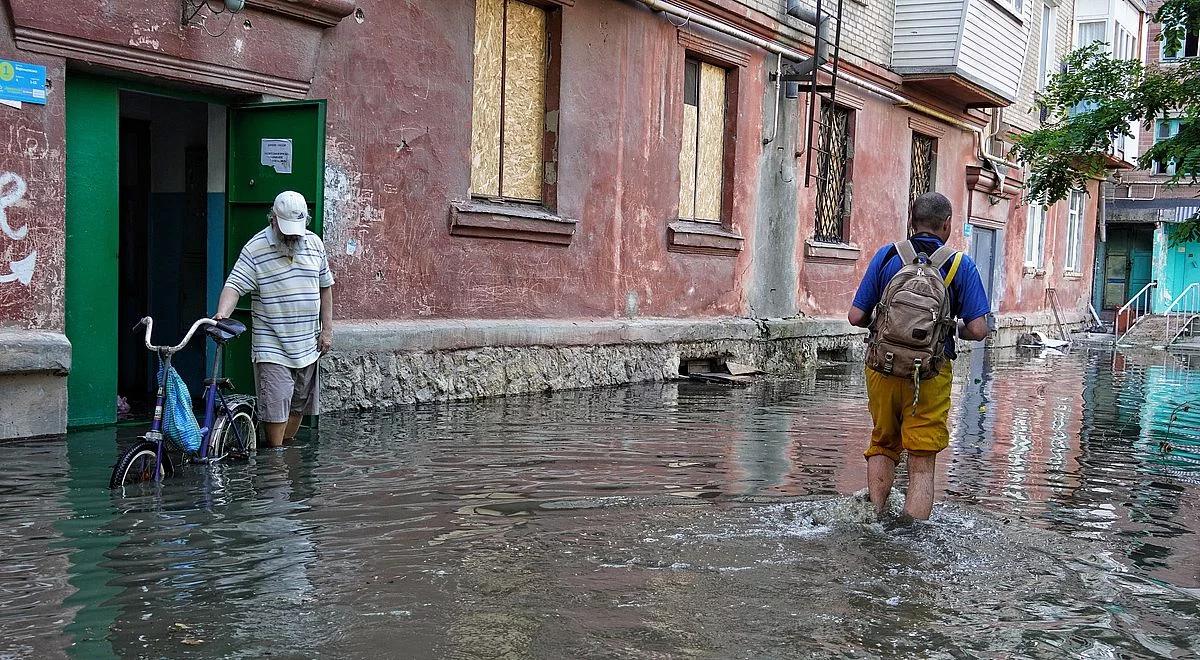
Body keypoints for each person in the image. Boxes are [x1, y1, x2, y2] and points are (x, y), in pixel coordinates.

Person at [847, 192, 990, 520]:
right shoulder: (959, 265)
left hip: (882, 369)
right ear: (947, 224)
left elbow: (855, 317)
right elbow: (979, 329)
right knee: (922, 462)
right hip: (928, 374)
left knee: (883, 445)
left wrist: (887, 325)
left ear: (911, 221)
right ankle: (910, 543)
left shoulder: (886, 257)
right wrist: (952, 330)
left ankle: (874, 521)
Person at [214, 191, 334, 449]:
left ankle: (286, 467)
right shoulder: (255, 249)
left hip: (308, 344)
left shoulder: (314, 244)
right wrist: (222, 314)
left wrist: (327, 331)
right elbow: (234, 285)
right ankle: (275, 472)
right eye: (286, 230)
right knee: (276, 412)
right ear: (273, 221)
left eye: (296, 231)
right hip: (273, 346)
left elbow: (326, 287)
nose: (291, 237)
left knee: (297, 408)